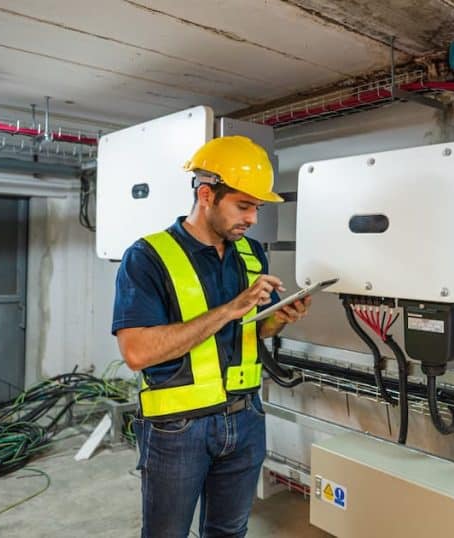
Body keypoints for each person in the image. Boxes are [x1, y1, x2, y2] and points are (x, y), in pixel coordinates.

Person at [112, 135, 311, 537]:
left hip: (246, 417)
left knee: (229, 531)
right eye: (244, 205)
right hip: (177, 428)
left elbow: (249, 331)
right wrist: (231, 308)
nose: (253, 218)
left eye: (256, 207)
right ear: (206, 195)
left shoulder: (252, 253)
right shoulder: (147, 258)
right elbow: (136, 352)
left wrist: (278, 320)